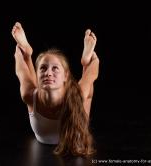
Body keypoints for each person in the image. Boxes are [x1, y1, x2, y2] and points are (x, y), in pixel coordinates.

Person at [11, 22, 99, 156]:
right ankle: (28, 52)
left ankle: (84, 63)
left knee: (87, 92)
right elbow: (21, 72)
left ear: (66, 76)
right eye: (43, 68)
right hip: (39, 100)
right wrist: (21, 53)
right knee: (33, 85)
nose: (48, 73)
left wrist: (89, 61)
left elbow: (92, 73)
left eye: (55, 68)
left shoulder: (78, 95)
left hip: (78, 99)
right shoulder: (28, 95)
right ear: (37, 74)